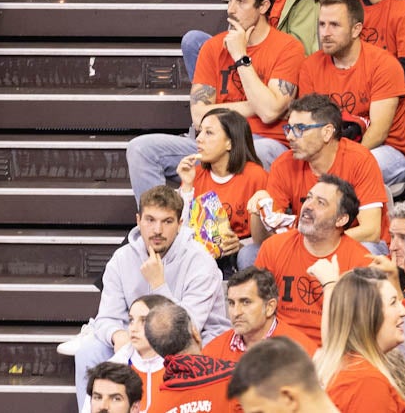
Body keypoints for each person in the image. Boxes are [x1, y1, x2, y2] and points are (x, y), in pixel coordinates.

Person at [128, 0, 303, 198]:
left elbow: (270, 113)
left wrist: (241, 56)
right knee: (141, 148)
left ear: (264, 6)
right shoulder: (213, 47)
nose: (231, 9)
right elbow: (199, 116)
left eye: (241, 1)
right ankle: (163, 227)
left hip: (261, 143)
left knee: (262, 150)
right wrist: (255, 106)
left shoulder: (288, 48)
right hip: (213, 141)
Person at [68, 183, 229, 411]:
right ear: (138, 220)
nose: (157, 230)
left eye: (167, 221)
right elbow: (106, 317)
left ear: (180, 224)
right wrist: (117, 335)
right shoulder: (121, 258)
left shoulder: (200, 262)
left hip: (194, 340)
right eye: (150, 220)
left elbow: (186, 330)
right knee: (90, 349)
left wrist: (158, 283)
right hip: (134, 338)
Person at [295, 0, 405, 187]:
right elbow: (308, 123)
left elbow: (378, 132)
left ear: (356, 29)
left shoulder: (384, 65)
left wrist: (340, 163)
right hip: (327, 149)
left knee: (352, 171)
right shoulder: (310, 66)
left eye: (334, 25)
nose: (325, 33)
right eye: (322, 24)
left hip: (383, 150)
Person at [248, 96, 389, 248]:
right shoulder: (283, 165)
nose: (289, 137)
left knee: (369, 248)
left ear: (327, 132)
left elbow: (370, 231)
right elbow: (263, 240)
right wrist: (258, 211)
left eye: (299, 129)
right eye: (288, 128)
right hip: (305, 244)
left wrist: (315, 242)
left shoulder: (360, 160)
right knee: (249, 253)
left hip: (352, 243)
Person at [251, 176, 375, 344]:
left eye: (320, 203)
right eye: (308, 198)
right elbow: (256, 309)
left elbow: (361, 333)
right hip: (278, 351)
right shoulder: (273, 247)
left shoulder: (361, 262)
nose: (308, 206)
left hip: (331, 353)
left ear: (341, 219)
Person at [315, 266, 405, 413]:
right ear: (367, 317)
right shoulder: (366, 382)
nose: (403, 312)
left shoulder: (357, 370)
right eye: (393, 302)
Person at [174, 109, 269, 268]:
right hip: (201, 256)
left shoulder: (256, 176)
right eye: (199, 132)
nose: (198, 139)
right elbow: (180, 229)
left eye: (209, 133)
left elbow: (269, 235)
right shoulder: (194, 174)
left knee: (246, 254)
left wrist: (240, 245)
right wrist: (187, 187)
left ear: (230, 142)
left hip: (239, 257)